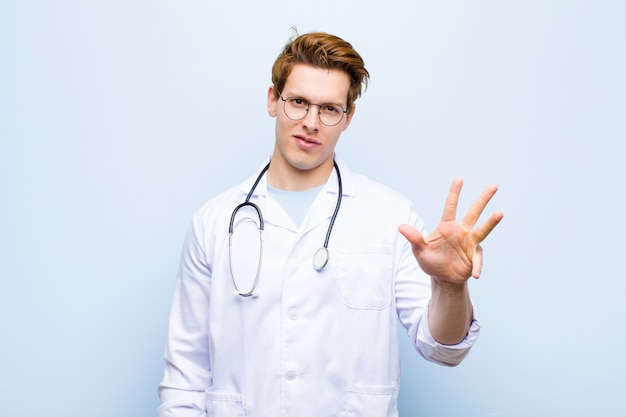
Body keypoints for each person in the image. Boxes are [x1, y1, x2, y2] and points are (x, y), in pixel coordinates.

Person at [157, 30, 503, 417]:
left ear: (348, 117)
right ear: (273, 100)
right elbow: (183, 379)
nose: (311, 122)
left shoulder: (391, 216)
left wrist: (449, 286)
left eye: (329, 109)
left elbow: (442, 347)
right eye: (299, 102)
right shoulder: (214, 222)